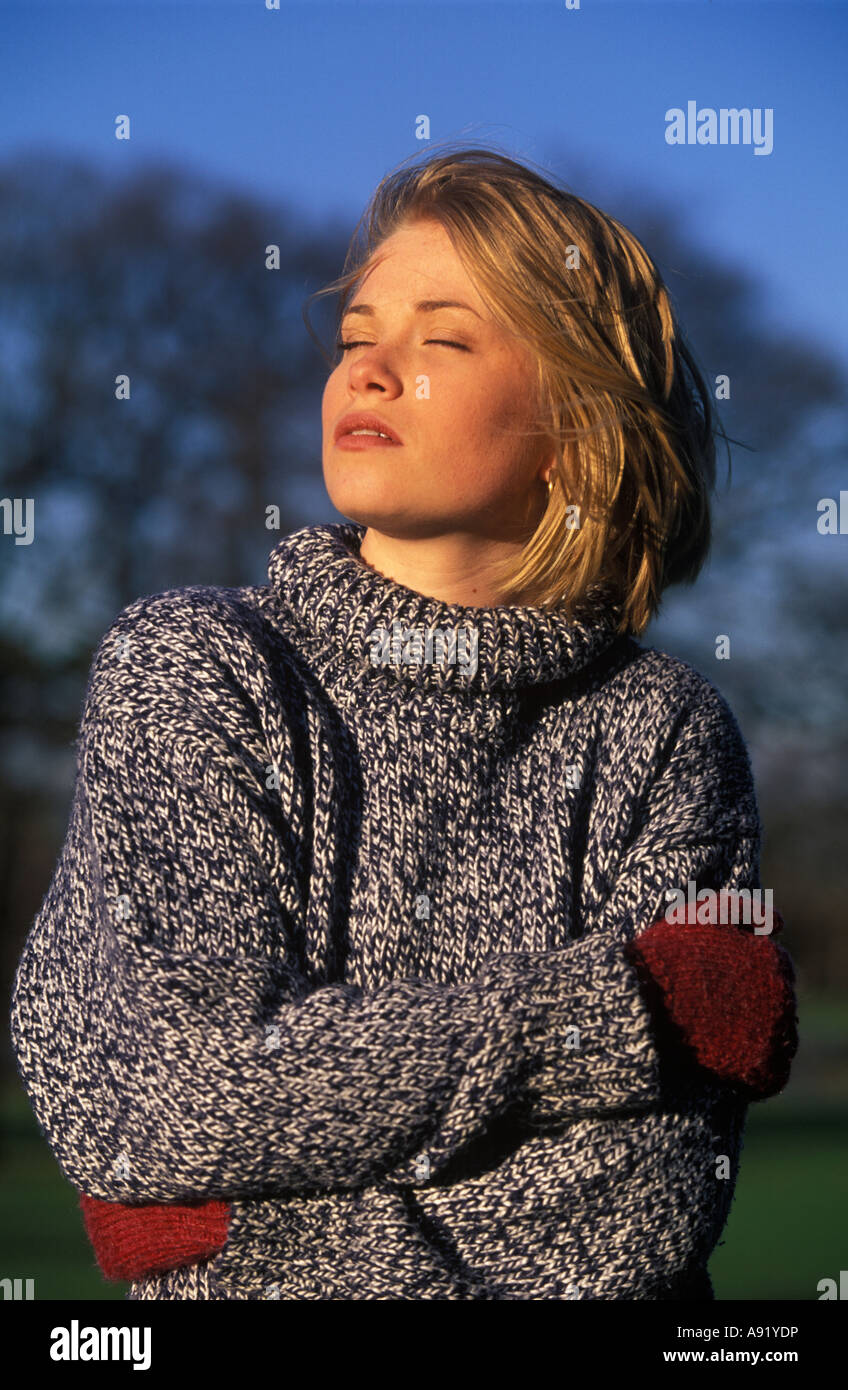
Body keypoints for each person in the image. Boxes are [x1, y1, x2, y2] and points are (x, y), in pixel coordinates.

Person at [10, 146, 797, 1301]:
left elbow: (640, 1206)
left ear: (577, 425)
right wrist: (620, 1007)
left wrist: (254, 1223)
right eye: (352, 337)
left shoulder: (664, 731)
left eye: (443, 339)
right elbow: (180, 1097)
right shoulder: (194, 665)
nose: (368, 370)